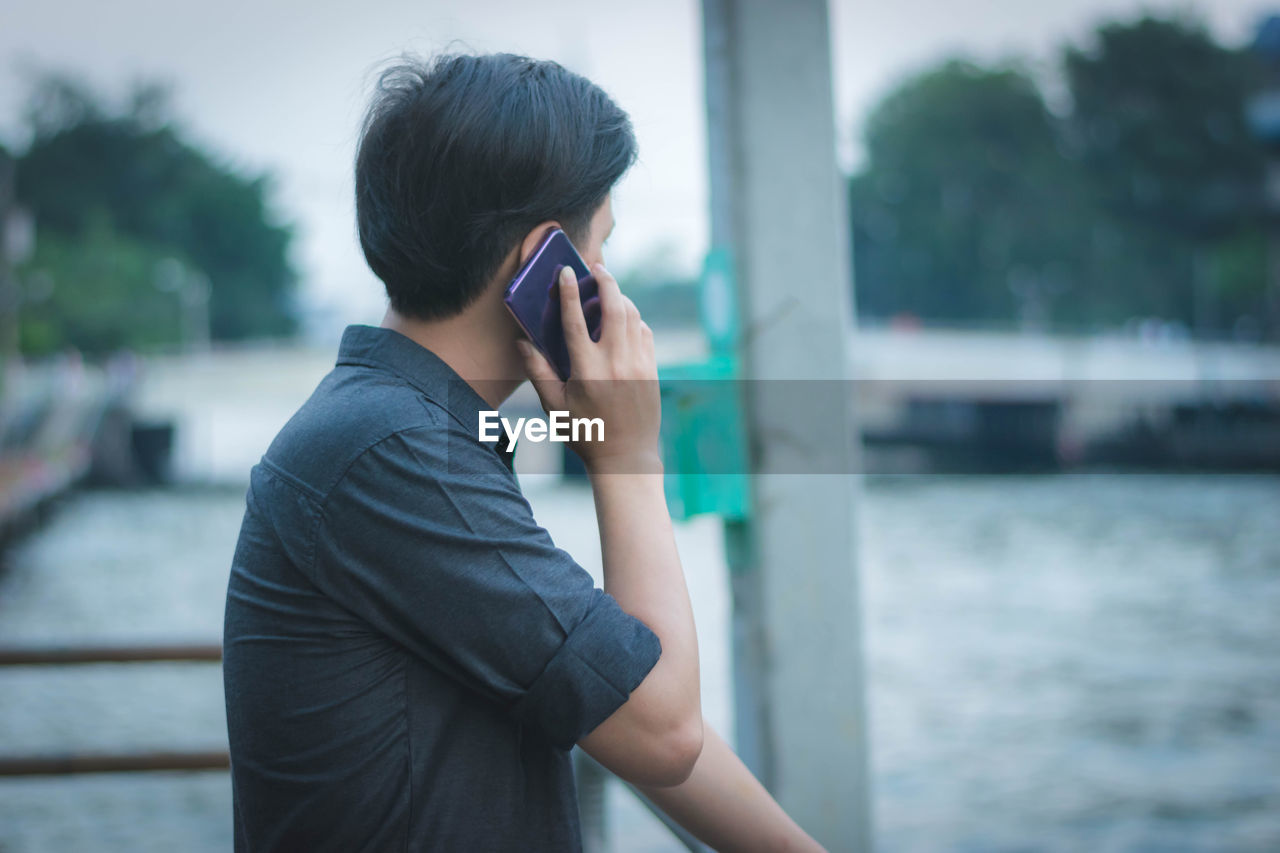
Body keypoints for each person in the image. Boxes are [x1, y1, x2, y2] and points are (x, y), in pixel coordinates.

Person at [222, 51, 824, 852]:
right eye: (598, 249)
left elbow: (617, 693)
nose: (607, 280)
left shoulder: (414, 428)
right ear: (544, 266)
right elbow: (665, 729)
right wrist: (624, 455)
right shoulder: (392, 450)